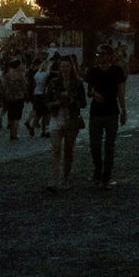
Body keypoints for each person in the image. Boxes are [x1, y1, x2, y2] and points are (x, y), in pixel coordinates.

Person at [87, 44, 127, 188]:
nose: (99, 56)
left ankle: (106, 176)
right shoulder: (93, 71)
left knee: (109, 146)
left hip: (111, 112)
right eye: (98, 54)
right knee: (95, 145)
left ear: (109, 56)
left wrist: (124, 110)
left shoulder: (117, 71)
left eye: (103, 54)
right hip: (96, 112)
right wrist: (94, 94)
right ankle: (98, 169)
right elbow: (89, 90)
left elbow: (121, 92)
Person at [46, 54, 87, 192]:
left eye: (67, 66)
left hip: (72, 118)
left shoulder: (78, 83)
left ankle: (65, 178)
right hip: (57, 117)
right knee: (56, 149)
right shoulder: (53, 83)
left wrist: (72, 101)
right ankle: (54, 179)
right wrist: (57, 102)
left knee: (68, 150)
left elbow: (83, 103)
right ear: (59, 67)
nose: (64, 69)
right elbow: (47, 103)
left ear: (72, 67)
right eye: (62, 66)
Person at [3, 58, 28, 141]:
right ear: (18, 66)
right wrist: (26, 94)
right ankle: (14, 135)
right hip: (19, 97)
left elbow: (4, 85)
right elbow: (25, 85)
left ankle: (11, 133)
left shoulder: (8, 74)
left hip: (10, 97)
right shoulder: (20, 75)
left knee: (11, 115)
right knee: (17, 117)